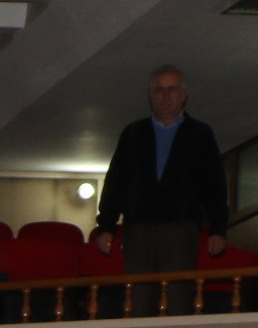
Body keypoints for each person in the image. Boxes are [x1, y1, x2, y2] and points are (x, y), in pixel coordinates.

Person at [93, 65, 225, 306]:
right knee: (138, 300)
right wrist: (107, 226)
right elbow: (116, 182)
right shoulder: (133, 133)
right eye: (159, 90)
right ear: (150, 94)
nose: (165, 96)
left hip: (181, 229)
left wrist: (218, 228)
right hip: (138, 229)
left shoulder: (200, 134)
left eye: (172, 90)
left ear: (184, 93)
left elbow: (214, 185)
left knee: (177, 298)